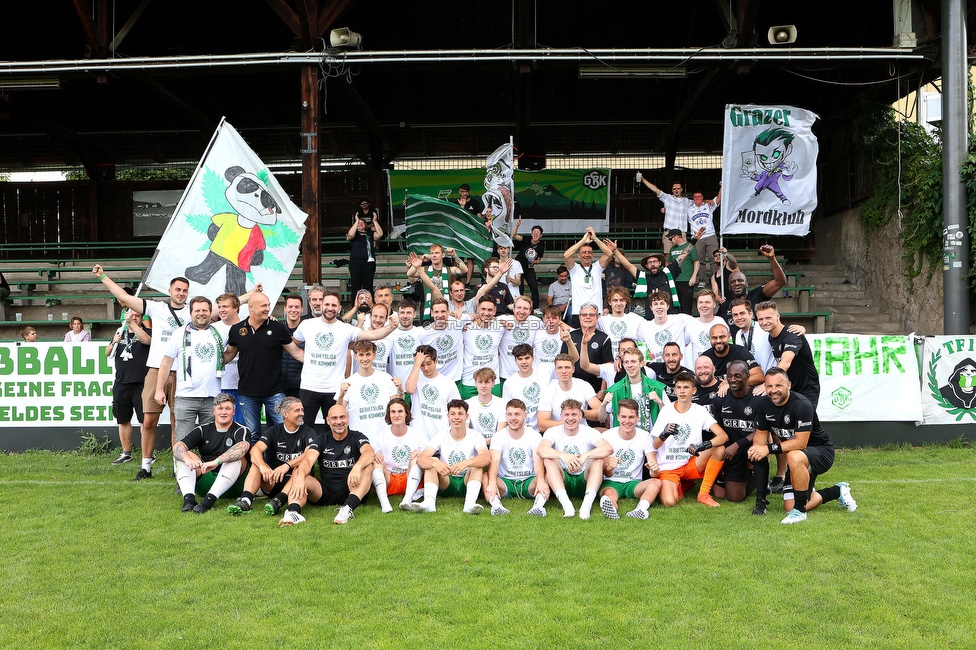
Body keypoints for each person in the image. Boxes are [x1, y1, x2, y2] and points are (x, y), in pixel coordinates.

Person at [93, 264, 190, 481]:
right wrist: (103, 277)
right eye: (178, 290)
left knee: (178, 422)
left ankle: (178, 466)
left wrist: (249, 295)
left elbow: (225, 306)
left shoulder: (194, 310)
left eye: (184, 290)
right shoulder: (157, 309)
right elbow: (124, 297)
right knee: (148, 421)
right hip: (156, 370)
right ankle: (146, 466)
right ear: (170, 291)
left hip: (182, 372)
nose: (181, 293)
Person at [747, 368, 857, 523]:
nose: (773, 391)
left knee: (794, 454)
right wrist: (758, 450)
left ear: (789, 385)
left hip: (821, 452)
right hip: (797, 458)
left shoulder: (802, 404)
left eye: (779, 385)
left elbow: (800, 443)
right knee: (788, 506)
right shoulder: (762, 404)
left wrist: (767, 448)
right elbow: (760, 443)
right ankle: (837, 491)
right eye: (769, 386)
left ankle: (800, 512)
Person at [291, 289, 395, 433]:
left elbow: (372, 334)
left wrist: (392, 327)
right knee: (303, 430)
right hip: (309, 387)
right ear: (321, 305)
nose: (329, 308)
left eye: (334, 305)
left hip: (334, 389)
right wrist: (304, 357)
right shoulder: (307, 325)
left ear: (339, 308)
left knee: (335, 432)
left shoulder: (346, 329)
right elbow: (292, 344)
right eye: (326, 304)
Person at [755, 300, 827, 494]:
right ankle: (782, 475)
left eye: (768, 317)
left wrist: (767, 385)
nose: (764, 322)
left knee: (802, 436)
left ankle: (806, 477)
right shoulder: (771, 337)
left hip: (806, 391)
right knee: (780, 431)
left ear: (778, 316)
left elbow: (785, 362)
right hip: (787, 390)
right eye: (760, 319)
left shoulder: (793, 335)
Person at [275, 404, 375, 525]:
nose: (339, 422)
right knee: (300, 472)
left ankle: (347, 509)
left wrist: (357, 467)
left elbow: (369, 452)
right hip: (325, 490)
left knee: (368, 466)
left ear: (348, 418)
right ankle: (293, 513)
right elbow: (307, 460)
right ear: (328, 420)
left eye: (342, 417)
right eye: (334, 418)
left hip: (352, 488)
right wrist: (300, 477)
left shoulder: (357, 436)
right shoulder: (322, 439)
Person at [224, 292, 304, 443]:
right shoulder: (236, 330)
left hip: (274, 392)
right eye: (264, 306)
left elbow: (297, 353)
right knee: (252, 434)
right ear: (251, 308)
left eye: (268, 305)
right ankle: (257, 466)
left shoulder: (278, 328)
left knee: (286, 429)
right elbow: (228, 355)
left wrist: (321, 361)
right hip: (247, 393)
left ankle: (284, 465)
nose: (268, 309)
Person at [649, 371, 731, 508]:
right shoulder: (666, 411)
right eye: (679, 387)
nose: (682, 391)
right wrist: (664, 434)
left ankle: (703, 494)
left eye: (686, 387)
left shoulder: (699, 410)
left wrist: (703, 445)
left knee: (719, 448)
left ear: (694, 390)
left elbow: (723, 436)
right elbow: (655, 445)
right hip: (668, 466)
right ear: (675, 390)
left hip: (690, 461)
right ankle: (681, 485)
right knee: (669, 502)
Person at [227, 396, 318, 516]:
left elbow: (309, 453)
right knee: (256, 464)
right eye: (297, 410)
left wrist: (287, 465)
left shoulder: (308, 432)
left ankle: (279, 501)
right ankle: (245, 500)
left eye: (302, 410)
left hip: (297, 480)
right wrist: (263, 466)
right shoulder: (274, 430)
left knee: (299, 467)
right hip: (275, 478)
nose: (301, 413)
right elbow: (255, 450)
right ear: (285, 413)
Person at [155, 296, 226, 444]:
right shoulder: (179, 333)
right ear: (191, 313)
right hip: (186, 397)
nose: (201, 313)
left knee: (210, 442)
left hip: (212, 397)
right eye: (197, 310)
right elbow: (166, 362)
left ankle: (208, 467)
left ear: (210, 312)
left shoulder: (220, 332)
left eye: (205, 310)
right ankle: (181, 468)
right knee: (183, 442)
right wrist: (159, 389)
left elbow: (230, 351)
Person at [173, 393, 251, 513]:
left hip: (234, 485)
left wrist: (217, 462)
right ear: (214, 411)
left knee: (237, 459)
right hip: (206, 480)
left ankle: (207, 502)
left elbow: (243, 447)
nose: (223, 412)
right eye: (220, 408)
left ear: (234, 412)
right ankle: (189, 500)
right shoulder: (203, 429)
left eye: (228, 408)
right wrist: (188, 460)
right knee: (184, 455)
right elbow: (178, 446)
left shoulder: (241, 430)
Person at [411, 400, 491, 514]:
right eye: (453, 414)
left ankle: (470, 504)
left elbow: (486, 458)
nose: (456, 417)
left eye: (460, 414)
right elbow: (421, 459)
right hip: (446, 481)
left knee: (476, 465)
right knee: (432, 460)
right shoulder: (441, 434)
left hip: (466, 481)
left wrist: (466, 462)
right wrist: (435, 463)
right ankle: (429, 503)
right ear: (448, 416)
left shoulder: (475, 435)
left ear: (466, 416)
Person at [537, 399, 613, 519]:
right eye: (566, 415)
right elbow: (541, 450)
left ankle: (586, 506)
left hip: (585, 478)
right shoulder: (553, 431)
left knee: (598, 459)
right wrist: (563, 455)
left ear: (580, 416)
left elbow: (608, 449)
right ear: (561, 416)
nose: (570, 418)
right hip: (563, 478)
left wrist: (585, 456)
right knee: (549, 459)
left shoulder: (589, 431)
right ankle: (566, 505)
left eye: (574, 414)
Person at [598, 399, 662, 520]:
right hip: (611, 481)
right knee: (609, 494)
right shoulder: (607, 436)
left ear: (637, 418)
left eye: (631, 417)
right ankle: (611, 509)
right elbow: (606, 471)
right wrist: (610, 467)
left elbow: (655, 473)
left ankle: (641, 508)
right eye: (623, 417)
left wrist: (653, 469)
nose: (627, 421)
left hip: (633, 483)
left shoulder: (645, 436)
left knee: (656, 483)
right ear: (618, 417)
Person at [483, 399, 549, 516]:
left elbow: (537, 460)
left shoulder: (534, 435)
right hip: (505, 481)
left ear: (525, 415)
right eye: (510, 414)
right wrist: (492, 483)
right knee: (485, 478)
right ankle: (497, 507)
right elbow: (494, 461)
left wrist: (540, 480)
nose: (513, 418)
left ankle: (538, 507)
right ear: (506, 416)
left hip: (529, 481)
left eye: (517, 414)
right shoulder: (499, 436)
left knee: (548, 476)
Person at [709, 360, 760, 504]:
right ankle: (750, 477)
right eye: (729, 376)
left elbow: (761, 431)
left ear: (747, 376)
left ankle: (759, 476)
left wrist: (737, 444)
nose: (732, 380)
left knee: (761, 447)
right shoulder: (721, 399)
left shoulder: (758, 399)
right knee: (732, 498)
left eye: (737, 376)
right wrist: (721, 457)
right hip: (731, 450)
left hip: (749, 445)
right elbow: (717, 429)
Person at [107, 309, 151, 465]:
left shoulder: (147, 332)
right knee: (123, 419)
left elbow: (147, 341)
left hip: (142, 382)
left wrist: (133, 324)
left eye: (138, 316)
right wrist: (114, 342)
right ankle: (126, 453)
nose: (135, 318)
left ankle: (148, 454)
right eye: (132, 316)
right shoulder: (120, 332)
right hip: (121, 382)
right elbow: (107, 352)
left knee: (144, 421)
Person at [337, 340, 402, 442]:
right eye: (361, 355)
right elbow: (338, 411)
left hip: (385, 437)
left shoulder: (386, 378)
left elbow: (397, 406)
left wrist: (400, 391)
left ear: (374, 355)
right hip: (359, 439)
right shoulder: (348, 382)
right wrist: (341, 395)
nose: (365, 359)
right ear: (355, 356)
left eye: (368, 354)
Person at [371, 397, 427, 513]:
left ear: (406, 413)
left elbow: (428, 457)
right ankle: (384, 503)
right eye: (393, 412)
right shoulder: (379, 437)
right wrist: (375, 457)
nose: (396, 415)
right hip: (389, 478)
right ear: (389, 414)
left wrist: (421, 455)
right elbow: (370, 457)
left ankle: (407, 499)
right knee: (376, 461)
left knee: (416, 459)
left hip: (409, 476)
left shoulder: (418, 434)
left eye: (400, 411)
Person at [715, 245, 787, 329]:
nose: (737, 283)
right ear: (729, 287)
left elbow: (780, 281)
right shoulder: (725, 305)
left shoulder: (757, 294)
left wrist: (771, 258)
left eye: (740, 280)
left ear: (747, 284)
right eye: (732, 282)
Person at [597, 347, 667, 432]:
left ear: (641, 363)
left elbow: (669, 417)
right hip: (624, 441)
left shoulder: (657, 388)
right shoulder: (615, 389)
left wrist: (660, 402)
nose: (629, 365)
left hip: (651, 441)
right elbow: (601, 418)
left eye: (633, 361)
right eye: (626, 362)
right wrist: (603, 405)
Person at [405, 345, 461, 440]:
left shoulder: (448, 383)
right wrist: (417, 364)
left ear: (436, 361)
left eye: (429, 363)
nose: (426, 368)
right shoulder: (415, 378)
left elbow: (456, 411)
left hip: (441, 437)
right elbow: (410, 389)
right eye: (422, 365)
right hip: (418, 438)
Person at [563, 226, 614, 326]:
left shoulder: (597, 267)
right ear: (579, 255)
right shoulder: (574, 269)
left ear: (593, 255)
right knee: (578, 341)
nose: (587, 254)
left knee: (597, 340)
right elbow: (566, 255)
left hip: (596, 312)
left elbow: (609, 253)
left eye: (589, 252)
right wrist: (582, 241)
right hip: (578, 312)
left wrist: (595, 238)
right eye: (584, 252)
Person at [536, 354, 601, 432]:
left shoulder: (583, 385)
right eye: (560, 368)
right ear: (555, 370)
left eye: (567, 367)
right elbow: (542, 425)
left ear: (573, 369)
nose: (563, 371)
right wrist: (569, 422)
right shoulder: (548, 390)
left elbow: (600, 413)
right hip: (557, 434)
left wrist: (582, 413)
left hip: (582, 432)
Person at [406, 243, 467, 322]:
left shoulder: (450, 270)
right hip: (429, 310)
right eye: (432, 253)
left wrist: (454, 255)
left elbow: (464, 270)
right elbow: (409, 274)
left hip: (446, 310)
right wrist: (419, 262)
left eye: (437, 253)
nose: (434, 255)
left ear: (443, 255)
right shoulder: (424, 269)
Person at [459, 297, 506, 399]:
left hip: (492, 382)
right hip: (469, 381)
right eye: (483, 309)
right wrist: (455, 313)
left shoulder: (501, 327)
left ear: (495, 311)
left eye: (490, 310)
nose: (486, 313)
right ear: (477, 309)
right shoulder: (465, 326)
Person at [563, 302, 612, 394]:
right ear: (579, 317)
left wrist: (602, 390)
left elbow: (607, 367)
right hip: (573, 387)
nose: (588, 317)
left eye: (592, 315)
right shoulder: (570, 336)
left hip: (595, 388)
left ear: (597, 317)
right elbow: (564, 361)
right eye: (584, 314)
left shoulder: (604, 338)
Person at [700, 322, 764, 388]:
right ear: (710, 339)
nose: (718, 341)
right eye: (714, 338)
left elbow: (759, 377)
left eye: (722, 337)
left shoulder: (740, 352)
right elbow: (699, 381)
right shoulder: (705, 358)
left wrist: (731, 383)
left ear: (728, 337)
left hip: (738, 395)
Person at [416, 298, 464, 383]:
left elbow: (476, 317)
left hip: (455, 379)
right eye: (436, 312)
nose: (440, 315)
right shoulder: (425, 334)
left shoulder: (458, 322)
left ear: (448, 312)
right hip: (435, 379)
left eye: (443, 311)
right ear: (431, 313)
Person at [501, 344, 547, 431]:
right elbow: (507, 411)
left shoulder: (544, 373)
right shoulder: (509, 383)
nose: (524, 362)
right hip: (521, 430)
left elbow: (572, 359)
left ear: (533, 358)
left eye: (527, 358)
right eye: (520, 359)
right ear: (515, 361)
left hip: (542, 429)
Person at [638, 176, 690, 253]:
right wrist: (643, 180)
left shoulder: (687, 201)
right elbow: (655, 189)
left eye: (678, 188)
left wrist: (709, 201)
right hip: (669, 232)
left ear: (681, 189)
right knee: (667, 255)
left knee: (683, 256)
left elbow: (699, 202)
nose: (676, 190)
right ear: (672, 190)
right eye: (674, 188)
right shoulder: (667, 198)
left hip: (681, 233)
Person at [641, 290, 691, 364]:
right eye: (655, 304)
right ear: (651, 307)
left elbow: (700, 323)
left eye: (662, 303)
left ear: (668, 306)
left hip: (678, 369)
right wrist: (646, 351)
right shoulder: (646, 327)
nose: (659, 307)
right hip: (658, 371)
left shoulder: (680, 320)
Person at [597, 286, 647, 358]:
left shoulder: (635, 319)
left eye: (622, 300)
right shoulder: (602, 321)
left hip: (630, 363)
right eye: (615, 300)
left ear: (626, 301)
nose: (619, 303)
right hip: (609, 363)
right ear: (609, 302)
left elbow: (650, 332)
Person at [348, 200, 383, 296]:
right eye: (359, 223)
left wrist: (374, 221)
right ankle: (355, 307)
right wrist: (356, 221)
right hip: (355, 262)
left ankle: (369, 306)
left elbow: (380, 234)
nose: (360, 224)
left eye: (362, 223)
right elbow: (350, 234)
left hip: (369, 262)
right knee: (356, 286)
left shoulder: (370, 234)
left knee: (368, 286)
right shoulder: (355, 235)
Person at [686, 187, 721, 282]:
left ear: (702, 197)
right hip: (698, 237)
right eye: (695, 197)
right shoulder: (689, 209)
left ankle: (716, 279)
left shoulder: (708, 205)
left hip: (710, 235)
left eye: (699, 196)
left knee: (715, 258)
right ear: (693, 199)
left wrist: (722, 186)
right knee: (699, 260)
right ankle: (702, 280)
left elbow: (718, 199)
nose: (697, 198)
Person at [730, 297, 774, 372]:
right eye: (735, 315)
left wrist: (801, 329)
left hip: (770, 379)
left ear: (750, 314)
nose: (739, 317)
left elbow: (782, 331)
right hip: (754, 379)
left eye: (742, 313)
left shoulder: (764, 327)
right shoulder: (738, 335)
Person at [465, 367, 506, 442]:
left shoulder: (502, 403)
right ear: (475, 383)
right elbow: (466, 432)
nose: (483, 386)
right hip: (475, 445)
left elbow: (501, 434)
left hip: (496, 445)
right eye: (480, 382)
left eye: (487, 382)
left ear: (493, 383)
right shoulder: (467, 404)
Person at [684, 289, 727, 360]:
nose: (704, 305)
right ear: (697, 305)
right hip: (699, 369)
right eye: (700, 302)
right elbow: (685, 345)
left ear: (714, 304)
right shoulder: (690, 325)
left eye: (707, 302)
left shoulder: (721, 322)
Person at [664, 229, 699, 315]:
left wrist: (694, 276)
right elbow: (670, 263)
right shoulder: (672, 249)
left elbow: (696, 261)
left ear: (676, 237)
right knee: (676, 307)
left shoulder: (689, 246)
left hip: (686, 279)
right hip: (674, 281)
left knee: (686, 308)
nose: (670, 241)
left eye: (670, 238)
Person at [512, 218, 545, 310]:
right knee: (520, 289)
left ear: (541, 235)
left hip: (529, 268)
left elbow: (539, 259)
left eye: (538, 232)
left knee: (534, 288)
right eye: (534, 231)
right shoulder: (526, 239)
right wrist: (517, 226)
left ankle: (536, 308)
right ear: (531, 234)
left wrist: (535, 262)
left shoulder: (541, 246)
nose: (536, 233)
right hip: (519, 268)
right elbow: (514, 235)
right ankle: (518, 306)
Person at [278, 293, 305, 398]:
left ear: (302, 309)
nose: (293, 310)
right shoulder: (277, 329)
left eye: (297, 307)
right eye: (290, 307)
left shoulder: (307, 330)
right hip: (278, 387)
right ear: (285, 308)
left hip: (300, 387)